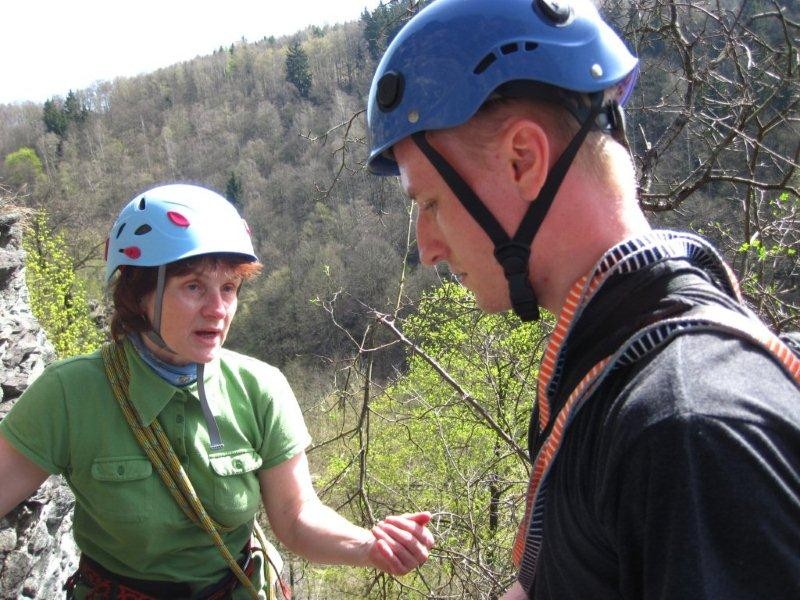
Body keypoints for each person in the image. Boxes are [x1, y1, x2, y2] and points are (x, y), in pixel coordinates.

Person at [365, 0, 800, 598]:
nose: (428, 248)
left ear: (524, 161)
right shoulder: (609, 371)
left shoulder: (682, 427)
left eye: (430, 204)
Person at [0, 183, 434, 599]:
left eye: (229, 288)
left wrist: (369, 546)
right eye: (194, 287)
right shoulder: (70, 394)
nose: (218, 309)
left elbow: (297, 517)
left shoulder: (259, 388)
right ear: (139, 295)